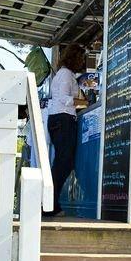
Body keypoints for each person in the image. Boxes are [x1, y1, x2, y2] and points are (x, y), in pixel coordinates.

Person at [46, 44, 86, 217]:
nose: (83, 62)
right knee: (63, 163)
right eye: (82, 58)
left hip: (59, 120)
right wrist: (83, 103)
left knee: (62, 163)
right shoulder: (65, 74)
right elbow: (63, 98)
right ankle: (49, 204)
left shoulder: (64, 74)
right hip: (63, 119)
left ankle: (50, 202)